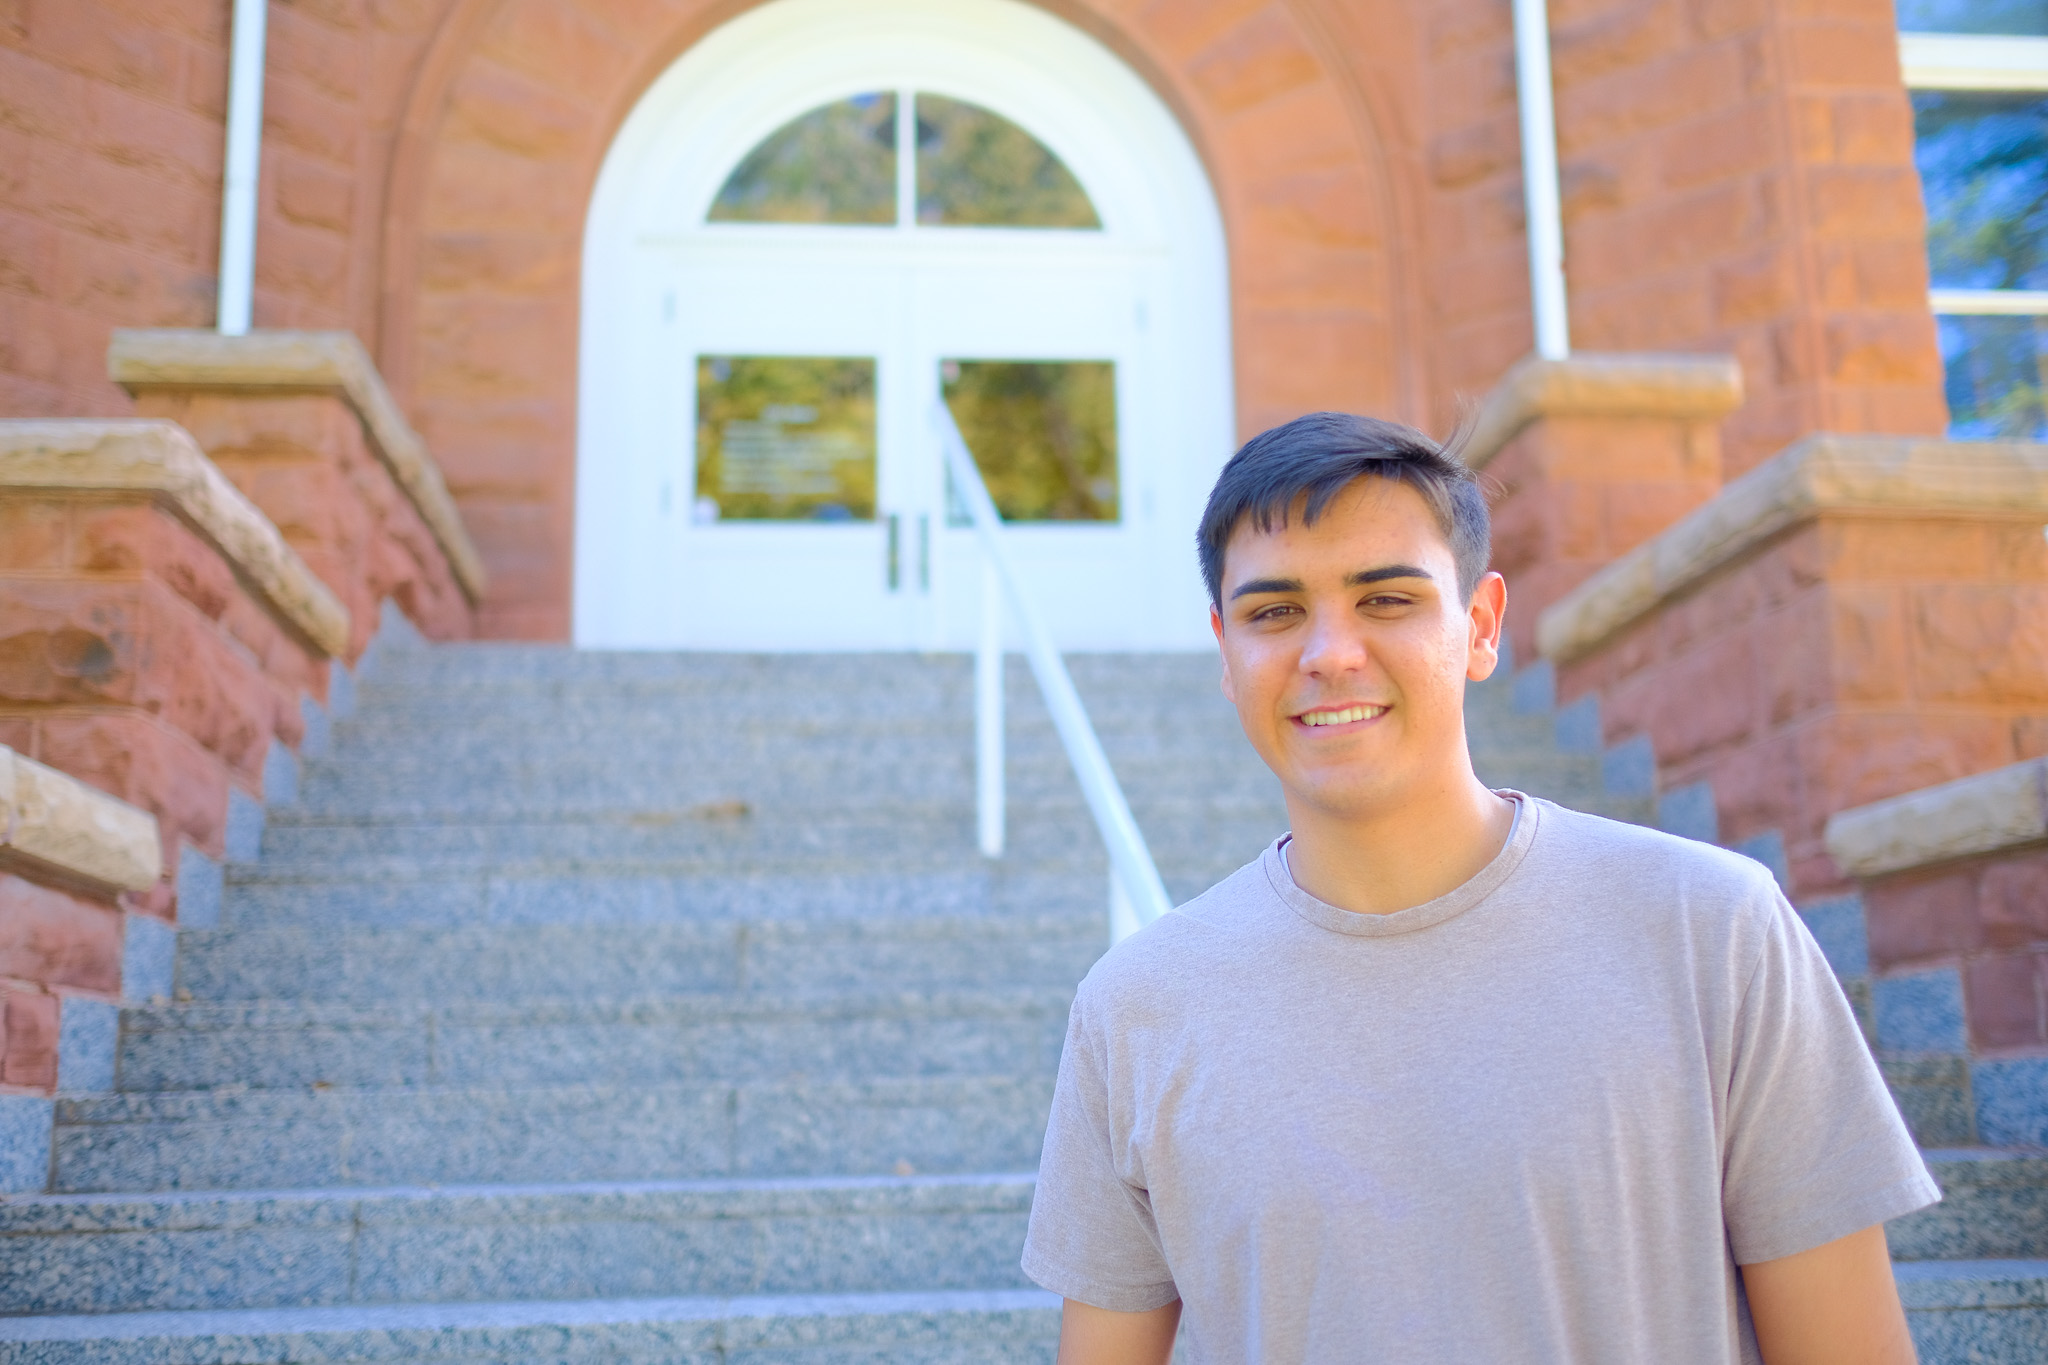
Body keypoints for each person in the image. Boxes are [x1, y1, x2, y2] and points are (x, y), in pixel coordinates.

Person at [1021, 412, 1937, 1364]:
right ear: (1225, 648)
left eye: (1386, 600)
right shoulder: (1132, 1010)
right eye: (1274, 611)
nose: (1329, 652)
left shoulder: (1713, 931)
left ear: (1482, 625)